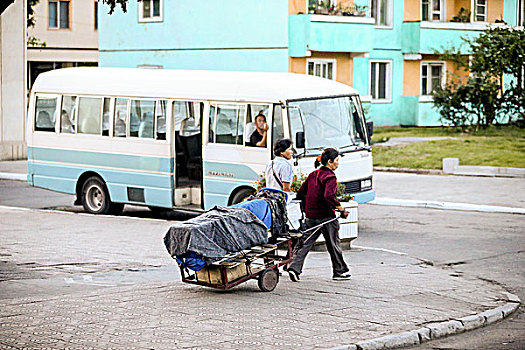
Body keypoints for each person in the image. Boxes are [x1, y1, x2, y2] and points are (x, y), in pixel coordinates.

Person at [287, 147, 351, 282]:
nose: (338, 164)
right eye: (337, 161)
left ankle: (294, 268)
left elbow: (301, 193)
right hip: (326, 217)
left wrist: (307, 208)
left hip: (310, 216)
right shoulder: (330, 177)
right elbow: (329, 196)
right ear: (329, 162)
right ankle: (339, 272)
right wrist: (340, 208)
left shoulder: (313, 174)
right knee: (333, 244)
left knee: (305, 243)